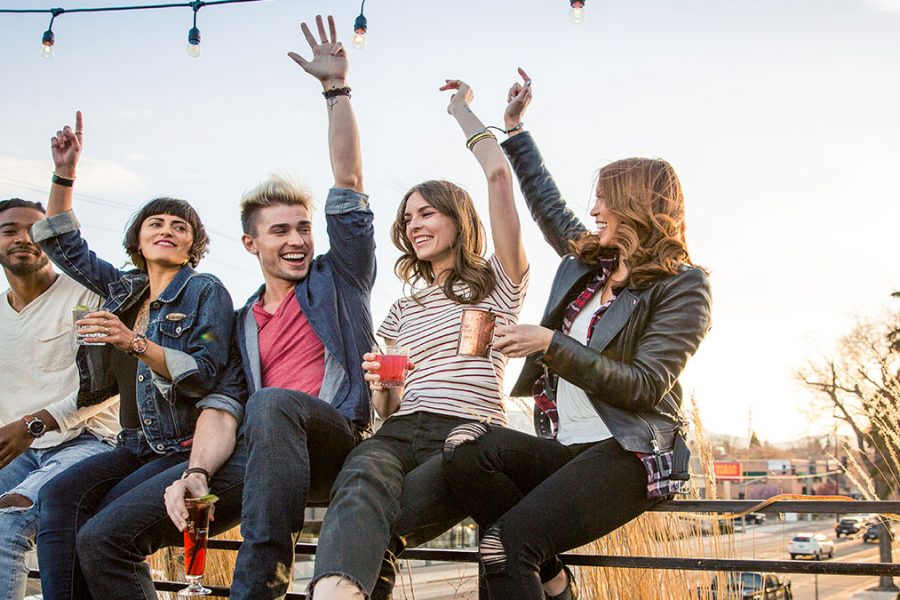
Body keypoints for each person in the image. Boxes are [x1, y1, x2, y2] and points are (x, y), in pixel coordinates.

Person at [73, 14, 376, 600]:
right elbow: (222, 405)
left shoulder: (339, 281)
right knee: (101, 539)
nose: (296, 241)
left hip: (331, 437)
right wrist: (195, 474)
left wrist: (335, 90)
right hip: (260, 455)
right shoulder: (241, 323)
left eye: (303, 229)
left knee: (273, 403)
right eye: (280, 231)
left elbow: (350, 179)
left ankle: (257, 586)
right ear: (250, 244)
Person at [439, 69, 714, 600]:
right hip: (565, 446)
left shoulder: (684, 286)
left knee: (505, 542)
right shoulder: (593, 263)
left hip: (629, 452)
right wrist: (516, 132)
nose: (593, 210)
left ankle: (545, 572)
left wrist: (550, 346)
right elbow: (548, 205)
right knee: (465, 446)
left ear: (636, 206)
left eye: (604, 200)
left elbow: (643, 386)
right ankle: (555, 579)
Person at [308, 76, 529, 600]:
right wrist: (382, 384)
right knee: (360, 479)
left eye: (427, 213)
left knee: (374, 527)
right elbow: (390, 406)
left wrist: (461, 110)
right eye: (407, 218)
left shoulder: (496, 284)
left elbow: (499, 177)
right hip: (402, 429)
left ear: (458, 218)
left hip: (466, 436)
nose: (414, 225)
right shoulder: (401, 309)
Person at [30, 111, 237, 599]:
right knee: (57, 497)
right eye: (155, 222)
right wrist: (65, 173)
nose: (167, 229)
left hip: (180, 445)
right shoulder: (123, 289)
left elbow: (203, 374)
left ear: (192, 244)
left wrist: (134, 343)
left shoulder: (205, 290)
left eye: (179, 226)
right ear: (138, 239)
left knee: (101, 531)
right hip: (131, 445)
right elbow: (60, 240)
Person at [0, 198, 119, 600]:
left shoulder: (87, 296)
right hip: (18, 450)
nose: (22, 239)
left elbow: (106, 385)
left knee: (9, 520)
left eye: (33, 230)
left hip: (87, 441)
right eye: (9, 230)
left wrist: (33, 424)